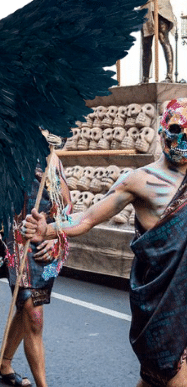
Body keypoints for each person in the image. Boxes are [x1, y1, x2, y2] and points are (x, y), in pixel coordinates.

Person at [23, 99, 187, 387]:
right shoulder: (139, 180)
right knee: (167, 374)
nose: (183, 140)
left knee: (152, 380)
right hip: (163, 303)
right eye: (177, 130)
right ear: (162, 132)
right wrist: (47, 230)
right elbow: (86, 218)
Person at [0, 154, 70, 387]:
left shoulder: (53, 158)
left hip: (45, 245)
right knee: (32, 311)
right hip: (16, 240)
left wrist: (56, 237)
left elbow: (67, 205)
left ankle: (4, 363)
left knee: (26, 306)